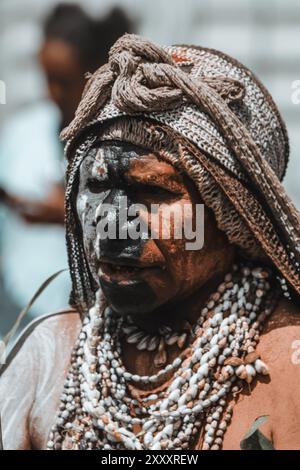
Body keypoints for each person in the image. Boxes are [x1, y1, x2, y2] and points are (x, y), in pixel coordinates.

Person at [1, 34, 300, 450]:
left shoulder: (287, 364)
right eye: (97, 184)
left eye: (154, 191)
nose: (113, 221)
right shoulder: (48, 354)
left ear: (233, 220)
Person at [0, 4, 134, 324]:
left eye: (63, 80)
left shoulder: (127, 142)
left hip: (95, 330)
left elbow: (163, 230)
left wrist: (70, 215)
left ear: (95, 73)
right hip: (17, 327)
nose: (50, 92)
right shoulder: (22, 132)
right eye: (45, 77)